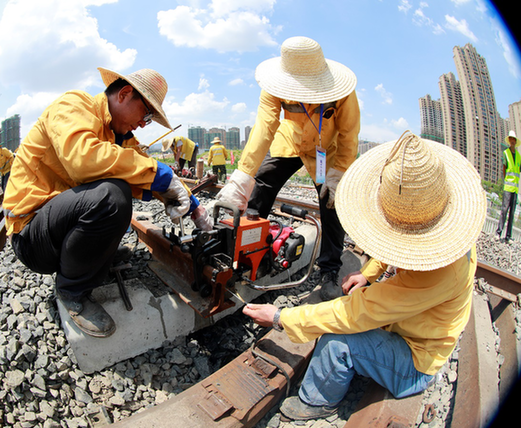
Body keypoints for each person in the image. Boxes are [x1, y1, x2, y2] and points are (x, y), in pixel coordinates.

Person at [243, 132, 486, 422]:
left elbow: (359, 312)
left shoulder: (440, 274)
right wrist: (368, 273)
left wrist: (282, 317)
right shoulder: (450, 231)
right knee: (351, 308)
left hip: (417, 359)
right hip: (416, 327)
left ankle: (317, 402)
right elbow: (402, 240)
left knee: (337, 342)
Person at [2, 67, 212, 338]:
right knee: (112, 197)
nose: (142, 124)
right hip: (32, 236)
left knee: (121, 190)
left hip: (58, 228)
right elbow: (83, 160)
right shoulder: (73, 105)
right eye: (146, 115)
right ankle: (72, 291)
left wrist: (193, 205)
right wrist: (159, 176)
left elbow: (145, 170)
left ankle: (95, 259)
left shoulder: (118, 137)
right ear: (124, 94)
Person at [216, 36, 360, 301]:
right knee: (262, 184)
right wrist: (243, 175)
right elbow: (265, 127)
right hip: (290, 142)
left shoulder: (342, 90)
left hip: (326, 151)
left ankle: (329, 269)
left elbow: (350, 134)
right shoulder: (273, 86)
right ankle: (246, 253)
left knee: (332, 204)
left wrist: (338, 173)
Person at [496, 130, 520, 243]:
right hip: (508, 187)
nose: (512, 141)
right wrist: (506, 181)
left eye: (513, 139)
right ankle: (498, 232)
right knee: (504, 210)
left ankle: (508, 236)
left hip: (515, 189)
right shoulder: (506, 153)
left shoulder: (519, 156)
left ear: (515, 141)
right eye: (511, 139)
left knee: (512, 212)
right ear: (509, 140)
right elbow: (504, 168)